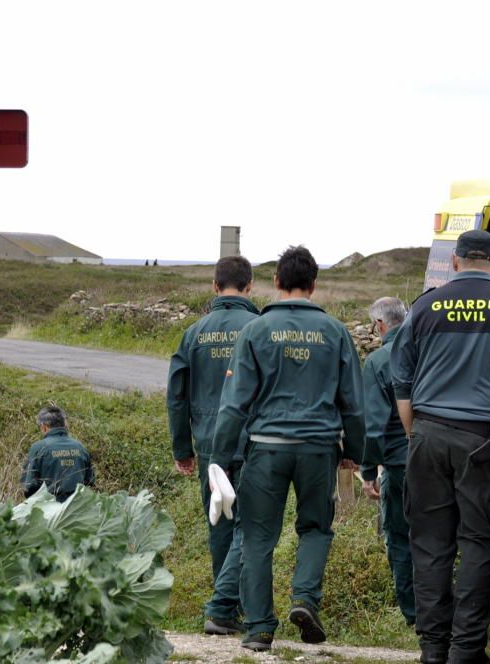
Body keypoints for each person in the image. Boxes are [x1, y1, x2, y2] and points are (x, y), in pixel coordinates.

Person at [392, 230, 490, 664]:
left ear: (457, 262)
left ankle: (432, 650)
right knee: (481, 545)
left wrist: (415, 434)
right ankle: (465, 651)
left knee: (430, 545)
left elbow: (402, 384)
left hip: (427, 434)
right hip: (485, 441)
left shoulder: (424, 307)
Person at [211, 246, 365, 653]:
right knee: (315, 528)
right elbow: (353, 401)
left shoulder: (256, 332)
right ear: (314, 285)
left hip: (266, 449)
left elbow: (234, 403)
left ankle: (260, 628)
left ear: (276, 282)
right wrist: (355, 450)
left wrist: (219, 459)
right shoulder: (335, 333)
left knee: (258, 538)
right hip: (319, 449)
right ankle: (304, 599)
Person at [166, 255, 260, 635]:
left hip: (208, 446)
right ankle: (231, 604)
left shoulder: (193, 333)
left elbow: (176, 395)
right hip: (253, 443)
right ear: (250, 286)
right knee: (252, 525)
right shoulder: (259, 327)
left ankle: (225, 607)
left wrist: (181, 449)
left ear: (214, 286)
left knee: (219, 523)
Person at [359, 297, 416, 627]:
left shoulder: (379, 361)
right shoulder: (426, 352)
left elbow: (373, 424)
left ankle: (412, 612)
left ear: (380, 325)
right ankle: (440, 606)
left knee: (398, 536)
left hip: (398, 463)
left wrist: (368, 471)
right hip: (435, 458)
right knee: (435, 536)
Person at [21, 405, 94, 501]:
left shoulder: (38, 448)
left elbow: (29, 486)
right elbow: (90, 481)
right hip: (77, 509)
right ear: (64, 425)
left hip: (47, 510)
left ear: (44, 427)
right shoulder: (80, 447)